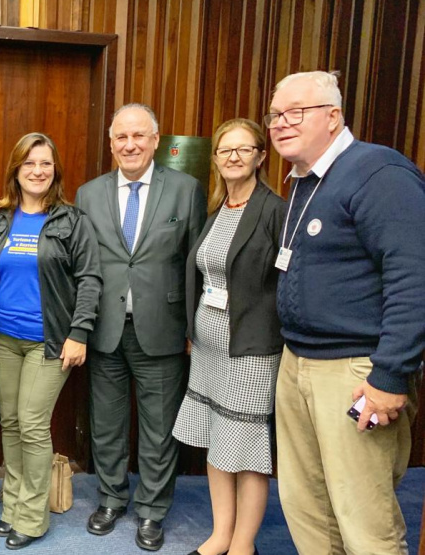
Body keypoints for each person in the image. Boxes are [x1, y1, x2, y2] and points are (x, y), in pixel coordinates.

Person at [267, 71, 425, 554]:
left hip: (355, 373)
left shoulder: (379, 173)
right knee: (307, 508)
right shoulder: (305, 182)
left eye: (296, 112)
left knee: (364, 522)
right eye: (275, 115)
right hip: (298, 363)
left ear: (333, 117)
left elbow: (414, 277)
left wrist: (390, 374)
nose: (281, 123)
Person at [75, 103, 207, 551]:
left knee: (159, 429)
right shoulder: (88, 194)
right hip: (105, 329)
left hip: (164, 329)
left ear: (155, 140)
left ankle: (152, 510)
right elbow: (84, 266)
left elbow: (195, 265)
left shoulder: (186, 190)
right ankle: (111, 498)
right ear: (111, 144)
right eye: (121, 137)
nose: (129, 145)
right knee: (107, 425)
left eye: (138, 136)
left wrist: (193, 329)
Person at [171, 118, 285, 555]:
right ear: (215, 159)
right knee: (217, 439)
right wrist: (191, 330)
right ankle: (221, 535)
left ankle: (243, 545)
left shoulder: (274, 211)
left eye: (244, 149)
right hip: (209, 347)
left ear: (260, 156)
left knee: (246, 449)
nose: (233, 157)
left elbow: (286, 284)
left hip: (251, 349)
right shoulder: (217, 210)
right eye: (225, 150)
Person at [0, 132, 102, 550]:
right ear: (16, 170)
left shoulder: (72, 221)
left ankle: (32, 517)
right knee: (11, 422)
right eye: (29, 163)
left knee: (33, 424)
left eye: (45, 164)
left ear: (55, 171)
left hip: (50, 342)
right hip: (3, 340)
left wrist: (79, 333)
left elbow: (90, 279)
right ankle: (13, 504)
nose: (37, 171)